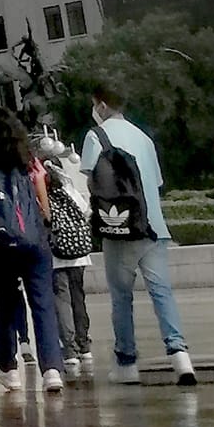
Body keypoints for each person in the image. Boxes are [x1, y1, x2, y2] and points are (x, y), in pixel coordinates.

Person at [81, 83, 195, 386]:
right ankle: (179, 355)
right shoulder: (143, 138)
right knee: (162, 292)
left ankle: (127, 361)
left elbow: (91, 183)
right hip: (153, 226)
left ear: (101, 105)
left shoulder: (96, 136)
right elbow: (156, 183)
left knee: (121, 297)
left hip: (119, 228)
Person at [0, 107, 65, 395]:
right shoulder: (29, 159)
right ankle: (51, 370)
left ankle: (9, 369)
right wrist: (43, 227)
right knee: (43, 303)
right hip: (34, 243)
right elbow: (43, 203)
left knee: (6, 304)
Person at [38, 139, 95, 380]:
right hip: (79, 254)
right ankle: (85, 346)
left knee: (61, 299)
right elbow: (86, 211)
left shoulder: (41, 194)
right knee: (78, 298)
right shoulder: (68, 189)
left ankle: (69, 349)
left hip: (57, 254)